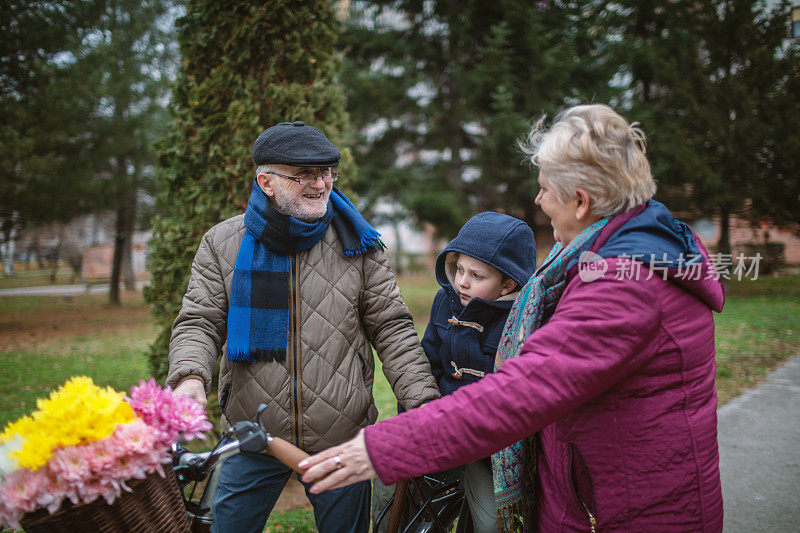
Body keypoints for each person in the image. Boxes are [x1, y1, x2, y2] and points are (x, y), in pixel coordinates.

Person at [299, 104, 726, 532]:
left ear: (581, 202)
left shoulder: (622, 285)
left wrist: (383, 450)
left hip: (626, 511)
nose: (538, 201)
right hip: (599, 495)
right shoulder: (602, 256)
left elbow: (523, 391)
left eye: (544, 189)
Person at [167, 120, 441, 533]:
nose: (320, 185)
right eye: (303, 176)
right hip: (252, 433)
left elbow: (392, 328)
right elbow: (200, 322)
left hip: (341, 435)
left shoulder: (358, 243)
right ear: (266, 182)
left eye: (326, 173)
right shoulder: (222, 243)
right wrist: (189, 377)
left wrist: (422, 403)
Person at [421, 211, 536, 532]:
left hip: (487, 446)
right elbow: (427, 362)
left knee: (490, 523)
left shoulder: (521, 322)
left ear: (508, 284)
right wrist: (417, 414)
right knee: (391, 492)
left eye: (477, 275)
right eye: (458, 269)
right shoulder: (445, 304)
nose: (462, 281)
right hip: (437, 426)